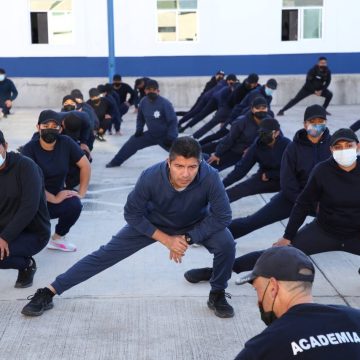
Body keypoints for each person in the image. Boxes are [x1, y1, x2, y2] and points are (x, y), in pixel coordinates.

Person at [21, 137, 236, 319]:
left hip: (195, 223)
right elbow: (132, 213)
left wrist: (188, 238)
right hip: (154, 223)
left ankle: (217, 293)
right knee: (104, 255)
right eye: (180, 166)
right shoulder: (151, 176)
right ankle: (49, 291)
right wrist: (167, 239)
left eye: (192, 167)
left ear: (200, 163)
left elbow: (223, 215)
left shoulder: (210, 176)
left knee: (226, 243)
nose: (186, 174)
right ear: (169, 162)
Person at [184, 105, 331, 283]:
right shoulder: (292, 148)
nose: (316, 125)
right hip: (292, 198)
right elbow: (286, 181)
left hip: (322, 205)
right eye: (312, 122)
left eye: (320, 122)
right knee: (253, 221)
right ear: (305, 123)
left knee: (291, 246)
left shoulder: (332, 148)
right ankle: (206, 240)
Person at [234, 246, 360, 359]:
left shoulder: (264, 347)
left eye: (258, 290)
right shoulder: (355, 318)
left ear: (273, 287)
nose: (258, 302)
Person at [22, 110, 91, 252]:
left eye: (55, 126)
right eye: (46, 125)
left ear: (60, 128)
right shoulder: (29, 149)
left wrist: (81, 192)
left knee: (74, 205)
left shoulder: (66, 143)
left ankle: (57, 239)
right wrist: (52, 198)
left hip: (55, 197)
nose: (50, 129)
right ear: (38, 127)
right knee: (26, 239)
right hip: (32, 200)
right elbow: (29, 182)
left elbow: (85, 165)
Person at [0, 130, 50, 288]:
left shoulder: (26, 166)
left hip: (32, 232)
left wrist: (4, 237)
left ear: (5, 146)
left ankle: (26, 264)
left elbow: (30, 207)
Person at [105, 79, 178, 168]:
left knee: (181, 153)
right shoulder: (143, 102)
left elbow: (173, 121)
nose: (151, 92)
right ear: (145, 90)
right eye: (148, 89)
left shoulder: (165, 103)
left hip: (165, 136)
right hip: (151, 134)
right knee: (131, 143)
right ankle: (115, 162)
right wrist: (139, 129)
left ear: (158, 91)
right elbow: (140, 118)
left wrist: (171, 136)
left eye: (153, 90)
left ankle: (199, 161)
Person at [223, 118, 291, 203]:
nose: (263, 136)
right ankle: (210, 207)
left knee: (276, 203)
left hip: (288, 181)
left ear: (276, 133)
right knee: (238, 190)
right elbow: (241, 169)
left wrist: (271, 174)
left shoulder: (287, 145)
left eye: (266, 133)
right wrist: (221, 185)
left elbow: (294, 170)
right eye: (261, 133)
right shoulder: (257, 146)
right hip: (265, 178)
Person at [204, 96, 269, 171]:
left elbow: (270, 138)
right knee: (213, 167)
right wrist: (218, 154)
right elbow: (229, 139)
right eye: (258, 108)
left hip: (251, 151)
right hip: (235, 150)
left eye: (263, 108)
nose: (261, 110)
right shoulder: (241, 122)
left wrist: (251, 148)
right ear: (252, 109)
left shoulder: (269, 121)